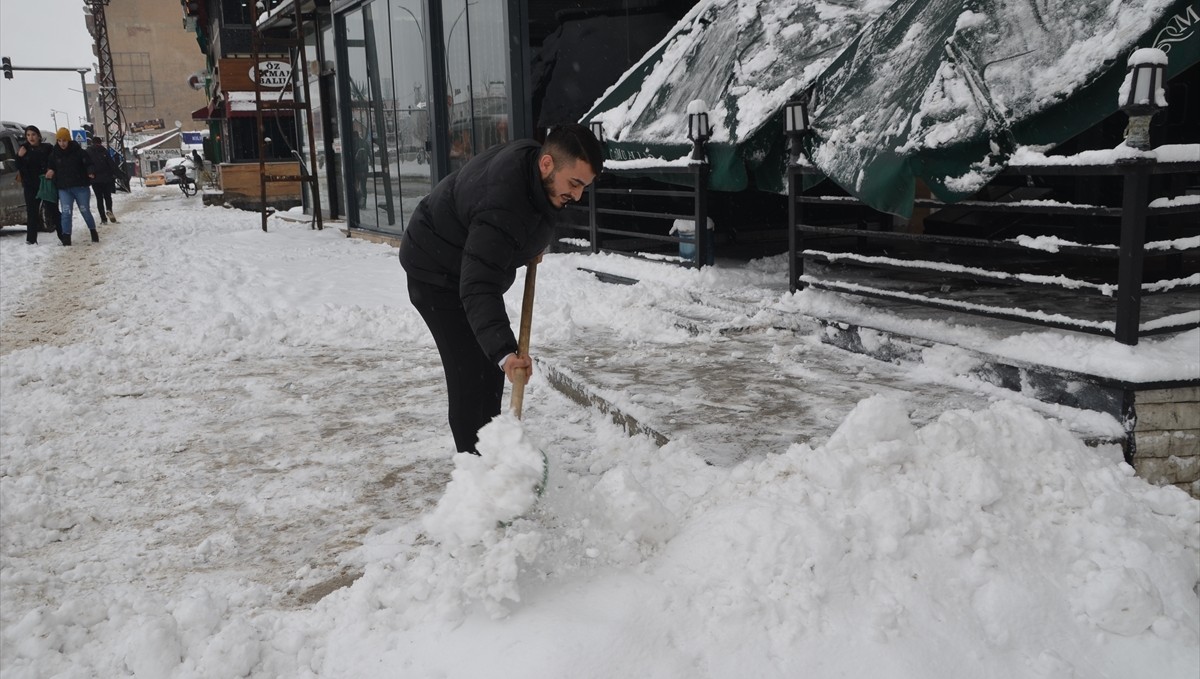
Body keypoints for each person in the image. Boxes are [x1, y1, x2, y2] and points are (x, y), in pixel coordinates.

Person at [399, 124, 604, 454]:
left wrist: (526, 247)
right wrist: (506, 353)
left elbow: (517, 226)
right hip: (435, 273)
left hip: (464, 263)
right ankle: (476, 474)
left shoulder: (533, 167)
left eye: (584, 187)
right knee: (469, 374)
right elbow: (479, 284)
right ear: (547, 163)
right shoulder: (504, 202)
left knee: (489, 370)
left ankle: (491, 452)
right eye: (575, 183)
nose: (578, 195)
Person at [46, 127, 97, 246]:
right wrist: (50, 171)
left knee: (85, 210)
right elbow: (51, 166)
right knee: (66, 212)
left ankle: (93, 231)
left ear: (68, 140)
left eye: (64, 140)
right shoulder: (54, 154)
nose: (62, 143)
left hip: (81, 187)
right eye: (59, 140)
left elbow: (89, 164)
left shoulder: (79, 152)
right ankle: (66, 237)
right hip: (64, 188)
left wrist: (90, 171)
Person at [13, 125, 54, 245]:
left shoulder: (47, 148)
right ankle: (31, 239)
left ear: (39, 136)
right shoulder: (23, 149)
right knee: (32, 212)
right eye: (28, 135)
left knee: (53, 209)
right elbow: (18, 167)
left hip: (46, 183)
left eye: (33, 134)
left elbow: (53, 162)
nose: (31, 137)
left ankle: (64, 235)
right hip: (30, 185)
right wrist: (19, 157)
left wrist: (51, 171)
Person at [86, 137, 120, 224]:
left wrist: (89, 174)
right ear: (100, 143)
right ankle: (109, 210)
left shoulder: (88, 152)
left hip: (95, 179)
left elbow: (85, 164)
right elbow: (111, 164)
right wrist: (117, 174)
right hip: (106, 178)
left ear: (92, 143)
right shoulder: (104, 151)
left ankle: (103, 219)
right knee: (107, 197)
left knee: (99, 199)